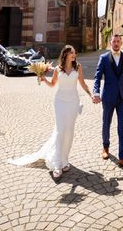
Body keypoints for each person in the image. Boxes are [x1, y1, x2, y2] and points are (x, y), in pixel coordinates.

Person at [7, 45, 92, 179]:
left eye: (75, 53)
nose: (74, 55)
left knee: (69, 132)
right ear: (65, 55)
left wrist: (90, 95)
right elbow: (53, 84)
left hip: (73, 102)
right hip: (60, 102)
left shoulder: (78, 67)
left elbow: (82, 83)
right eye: (72, 53)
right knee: (61, 130)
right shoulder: (58, 69)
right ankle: (57, 164)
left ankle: (65, 160)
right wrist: (44, 79)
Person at [93, 34, 123, 171]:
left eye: (118, 41)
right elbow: (97, 76)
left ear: (121, 43)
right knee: (106, 123)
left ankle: (122, 157)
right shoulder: (103, 58)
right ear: (110, 43)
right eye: (114, 41)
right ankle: (105, 147)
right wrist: (96, 92)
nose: (116, 43)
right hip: (108, 96)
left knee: (122, 126)